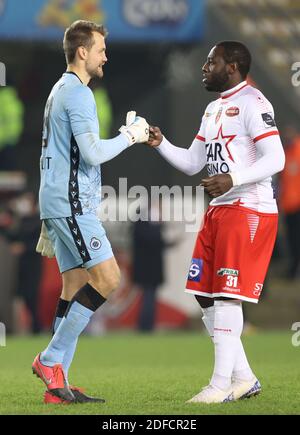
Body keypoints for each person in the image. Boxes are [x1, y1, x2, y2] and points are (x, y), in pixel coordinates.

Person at [147, 41, 285, 404]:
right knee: (203, 294)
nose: (204, 67)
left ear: (233, 66)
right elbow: (194, 162)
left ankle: (220, 385)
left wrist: (233, 179)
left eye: (212, 62)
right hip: (220, 210)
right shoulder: (212, 109)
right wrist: (160, 143)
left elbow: (277, 158)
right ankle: (244, 378)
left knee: (226, 295)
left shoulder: (254, 103)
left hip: (248, 208)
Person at [32, 20, 149, 404]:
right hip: (71, 204)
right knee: (109, 278)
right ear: (82, 52)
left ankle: (57, 385)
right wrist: (130, 136)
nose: (105, 56)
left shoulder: (59, 90)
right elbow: (94, 153)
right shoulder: (78, 94)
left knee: (73, 285)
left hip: (56, 201)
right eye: (100, 49)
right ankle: (50, 360)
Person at [279, 125, 300, 279]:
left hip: (298, 205)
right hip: (288, 206)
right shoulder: (284, 154)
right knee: (292, 240)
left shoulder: (298, 151)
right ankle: (293, 269)